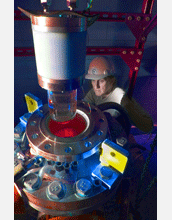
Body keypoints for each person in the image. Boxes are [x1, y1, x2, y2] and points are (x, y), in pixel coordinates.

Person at [84, 56, 153, 133]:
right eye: (93, 80)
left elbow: (147, 126)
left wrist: (128, 108)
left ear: (112, 80)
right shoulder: (93, 93)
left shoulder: (121, 98)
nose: (96, 86)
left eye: (101, 81)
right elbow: (84, 109)